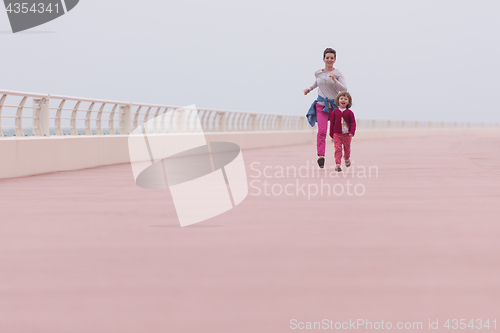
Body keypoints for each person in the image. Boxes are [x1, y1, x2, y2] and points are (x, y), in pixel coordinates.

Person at [305, 48, 347, 169]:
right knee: (322, 131)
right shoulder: (318, 72)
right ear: (323, 59)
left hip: (334, 105)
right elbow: (318, 82)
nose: (329, 60)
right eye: (327, 58)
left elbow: (344, 89)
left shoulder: (338, 73)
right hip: (321, 105)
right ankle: (321, 156)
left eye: (331, 58)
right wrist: (309, 89)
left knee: (337, 133)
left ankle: (340, 157)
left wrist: (334, 79)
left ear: (335, 60)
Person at [329, 91, 356, 172]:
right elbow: (332, 123)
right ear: (338, 100)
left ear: (348, 102)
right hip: (337, 134)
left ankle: (347, 158)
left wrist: (352, 132)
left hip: (347, 135)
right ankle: (338, 164)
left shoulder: (349, 113)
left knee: (347, 149)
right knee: (338, 149)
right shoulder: (334, 112)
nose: (343, 100)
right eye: (341, 98)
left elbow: (353, 123)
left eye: (345, 99)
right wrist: (331, 133)